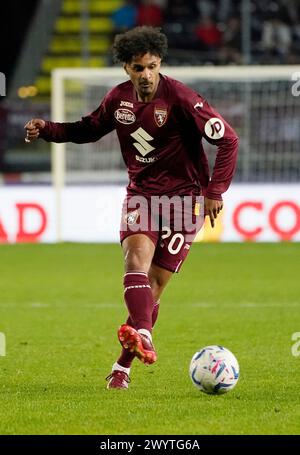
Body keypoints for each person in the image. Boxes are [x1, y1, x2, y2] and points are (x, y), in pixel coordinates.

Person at [24, 26, 238, 390]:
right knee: (134, 261)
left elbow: (228, 140)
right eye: (139, 68)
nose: (146, 75)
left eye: (152, 67)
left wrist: (215, 192)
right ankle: (144, 334)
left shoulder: (183, 99)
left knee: (153, 285)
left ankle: (122, 367)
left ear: (160, 64)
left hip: (185, 202)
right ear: (126, 68)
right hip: (141, 195)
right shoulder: (118, 100)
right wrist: (47, 129)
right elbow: (88, 129)